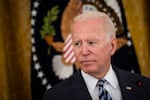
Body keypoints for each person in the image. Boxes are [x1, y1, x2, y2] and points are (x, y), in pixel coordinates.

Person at [43, 11, 150, 100]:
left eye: (91, 43)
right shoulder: (55, 97)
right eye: (77, 44)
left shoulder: (145, 87)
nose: (84, 51)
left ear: (112, 46)